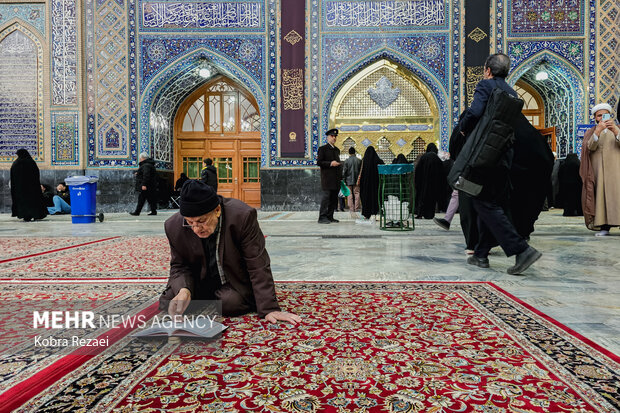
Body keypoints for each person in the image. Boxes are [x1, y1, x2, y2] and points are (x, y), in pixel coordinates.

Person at [159, 180, 301, 325]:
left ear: (217, 210)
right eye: (190, 223)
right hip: (199, 280)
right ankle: (198, 295)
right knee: (170, 300)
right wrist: (184, 290)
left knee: (229, 303)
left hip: (232, 279)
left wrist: (269, 308)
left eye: (202, 221)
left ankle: (215, 297)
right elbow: (179, 266)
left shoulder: (242, 216)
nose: (196, 229)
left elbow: (257, 262)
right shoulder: (173, 226)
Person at [460, 53, 541, 275]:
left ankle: (521, 250)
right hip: (505, 157)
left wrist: (463, 127)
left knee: (483, 202)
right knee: (491, 202)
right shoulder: (512, 92)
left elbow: (475, 112)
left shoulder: (486, 86)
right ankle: (481, 254)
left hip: (486, 156)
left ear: (487, 70)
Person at [579, 103, 620, 236]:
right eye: (599, 115)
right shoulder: (591, 132)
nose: (602, 118)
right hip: (599, 172)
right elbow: (589, 147)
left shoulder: (617, 129)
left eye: (605, 115)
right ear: (595, 118)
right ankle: (604, 227)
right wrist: (597, 131)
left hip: (616, 171)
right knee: (601, 199)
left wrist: (616, 131)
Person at [10, 149, 47, 222]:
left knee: (24, 203)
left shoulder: (16, 163)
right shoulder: (31, 162)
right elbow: (36, 175)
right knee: (34, 201)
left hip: (20, 189)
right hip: (32, 188)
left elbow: (13, 177)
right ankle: (36, 215)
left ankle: (26, 216)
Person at [414, 143, 445, 220]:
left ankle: (420, 213)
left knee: (422, 197)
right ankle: (429, 215)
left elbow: (418, 170)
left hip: (423, 183)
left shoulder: (424, 157)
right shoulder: (437, 159)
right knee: (431, 198)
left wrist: (417, 182)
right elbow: (442, 174)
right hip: (434, 184)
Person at [316, 128, 342, 224]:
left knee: (334, 199)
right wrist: (330, 163)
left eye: (335, 136)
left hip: (336, 179)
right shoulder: (323, 149)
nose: (334, 138)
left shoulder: (337, 150)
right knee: (326, 198)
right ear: (327, 137)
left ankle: (330, 216)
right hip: (327, 179)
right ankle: (322, 217)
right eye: (332, 136)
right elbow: (319, 162)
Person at [357, 145, 384, 224]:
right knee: (375, 197)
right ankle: (375, 212)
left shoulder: (364, 161)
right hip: (376, 184)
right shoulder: (378, 160)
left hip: (366, 185)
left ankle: (366, 213)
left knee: (366, 197)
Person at [342, 146, 362, 218]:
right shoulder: (359, 160)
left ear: (349, 153)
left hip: (348, 180)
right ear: (354, 152)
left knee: (349, 194)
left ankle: (351, 209)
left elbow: (344, 171)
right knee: (357, 193)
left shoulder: (347, 161)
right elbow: (361, 171)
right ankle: (356, 209)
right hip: (357, 180)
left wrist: (343, 179)